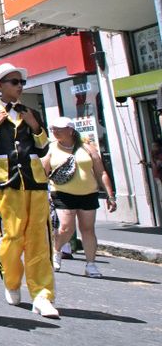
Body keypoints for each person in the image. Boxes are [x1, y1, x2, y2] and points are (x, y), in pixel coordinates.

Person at [0, 63, 57, 318]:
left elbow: (43, 148)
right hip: (6, 182)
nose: (20, 86)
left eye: (21, 82)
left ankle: (42, 294)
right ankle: (11, 281)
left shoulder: (31, 112)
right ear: (0, 86)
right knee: (11, 239)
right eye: (14, 82)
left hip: (34, 181)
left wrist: (36, 127)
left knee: (38, 240)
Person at [44, 117, 117, 278]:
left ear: (70, 130)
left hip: (88, 193)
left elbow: (101, 172)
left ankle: (91, 264)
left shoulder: (87, 147)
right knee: (66, 227)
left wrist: (110, 195)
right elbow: (43, 173)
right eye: (53, 129)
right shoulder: (51, 148)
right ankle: (57, 251)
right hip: (62, 193)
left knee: (87, 229)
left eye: (59, 129)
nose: (55, 132)